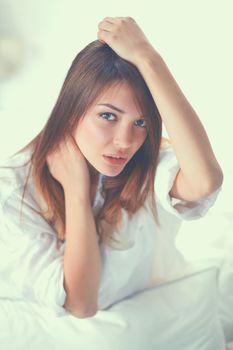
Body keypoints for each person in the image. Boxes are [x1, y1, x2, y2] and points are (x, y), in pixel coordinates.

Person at [0, 16, 223, 319]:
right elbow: (81, 303)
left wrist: (148, 57)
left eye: (141, 122)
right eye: (108, 116)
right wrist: (76, 191)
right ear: (71, 111)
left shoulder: (146, 160)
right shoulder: (13, 189)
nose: (125, 141)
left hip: (153, 316)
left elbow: (204, 182)